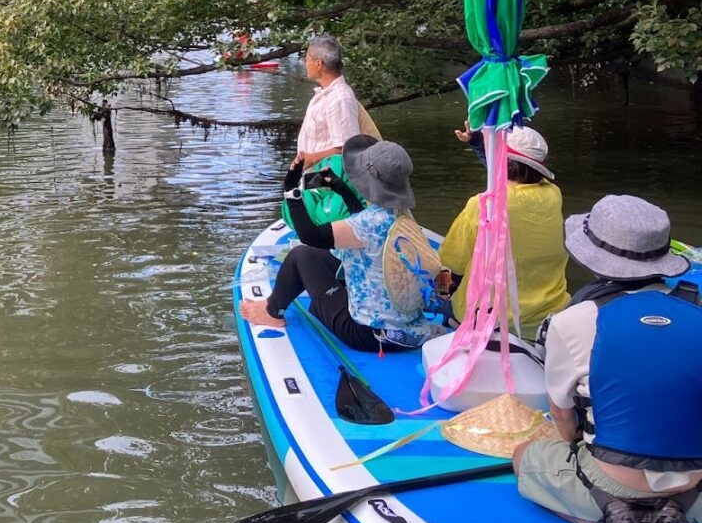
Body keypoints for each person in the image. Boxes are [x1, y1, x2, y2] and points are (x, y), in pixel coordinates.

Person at [512, 195, 700, 523]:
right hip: (694, 484)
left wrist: (575, 446)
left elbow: (564, 418)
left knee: (524, 457)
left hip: (612, 483)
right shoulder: (695, 309)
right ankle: (681, 521)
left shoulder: (572, 322)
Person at [240, 135, 444, 352]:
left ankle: (272, 313)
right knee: (324, 258)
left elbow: (310, 235)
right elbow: (363, 228)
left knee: (301, 256)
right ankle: (274, 306)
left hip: (368, 335)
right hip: (411, 332)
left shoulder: (366, 224)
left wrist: (292, 191)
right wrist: (342, 189)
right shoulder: (401, 215)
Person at [437, 126, 568, 334]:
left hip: (493, 318)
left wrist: (443, 290)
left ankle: (447, 325)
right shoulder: (553, 194)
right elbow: (508, 182)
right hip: (551, 312)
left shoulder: (481, 204)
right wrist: (480, 145)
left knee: (441, 281)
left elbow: (451, 260)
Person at [294, 35, 362, 167]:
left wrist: (312, 158)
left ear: (318, 63)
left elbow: (348, 149)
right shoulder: (324, 94)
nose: (305, 63)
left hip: (329, 183)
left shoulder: (340, 98)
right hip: (313, 180)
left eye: (307, 59)